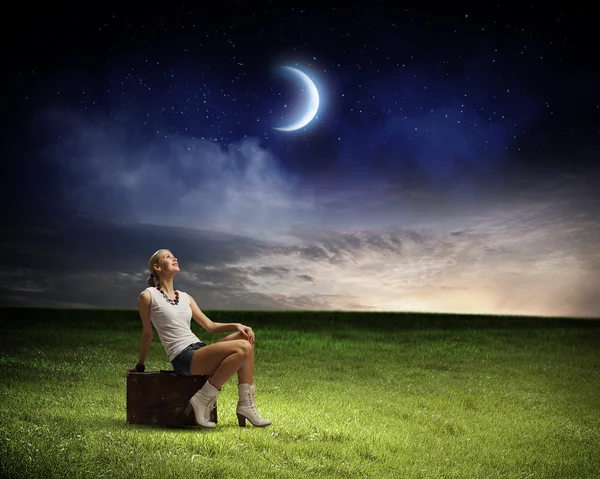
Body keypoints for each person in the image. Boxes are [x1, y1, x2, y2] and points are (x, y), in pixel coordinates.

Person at [131, 248, 271, 429]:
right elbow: (147, 333)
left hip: (198, 349)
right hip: (183, 357)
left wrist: (237, 325)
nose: (174, 258)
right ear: (157, 267)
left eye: (174, 256)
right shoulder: (148, 296)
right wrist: (140, 365)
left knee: (246, 337)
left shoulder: (185, 297)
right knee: (243, 348)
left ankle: (246, 405)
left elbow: (210, 326)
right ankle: (203, 399)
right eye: (168, 257)